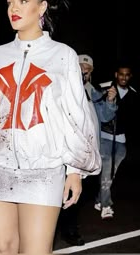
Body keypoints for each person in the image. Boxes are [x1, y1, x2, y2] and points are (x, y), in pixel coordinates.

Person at [0, 0, 101, 254]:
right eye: (10, 2)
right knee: (2, 248)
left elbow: (76, 114)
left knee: (35, 251)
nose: (14, 8)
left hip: (43, 169)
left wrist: (75, 170)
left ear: (42, 7)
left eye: (23, 1)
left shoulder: (63, 55)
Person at [58, 54, 117, 245]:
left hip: (88, 154)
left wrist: (109, 100)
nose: (84, 69)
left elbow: (105, 117)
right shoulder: (65, 87)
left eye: (87, 68)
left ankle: (69, 229)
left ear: (91, 72)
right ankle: (59, 229)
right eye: (80, 66)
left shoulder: (93, 91)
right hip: (69, 151)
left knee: (76, 195)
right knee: (62, 192)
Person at [94, 62, 137, 219]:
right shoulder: (105, 88)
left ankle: (99, 200)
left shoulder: (133, 94)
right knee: (106, 172)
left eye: (127, 74)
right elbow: (94, 104)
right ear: (116, 75)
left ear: (130, 76)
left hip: (121, 140)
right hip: (105, 138)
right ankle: (106, 205)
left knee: (110, 175)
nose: (123, 77)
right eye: (121, 74)